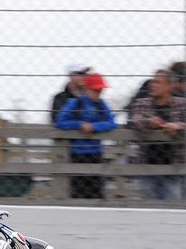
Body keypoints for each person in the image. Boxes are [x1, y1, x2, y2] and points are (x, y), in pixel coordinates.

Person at [54, 72, 116, 199]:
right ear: (86, 88)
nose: (99, 93)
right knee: (78, 190)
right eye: (96, 90)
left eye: (101, 90)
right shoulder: (75, 103)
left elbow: (111, 123)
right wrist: (79, 124)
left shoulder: (101, 104)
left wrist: (94, 127)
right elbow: (60, 121)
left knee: (97, 192)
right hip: (77, 153)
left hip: (96, 153)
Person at [128, 68, 185, 200]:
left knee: (173, 206)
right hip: (147, 166)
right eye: (153, 81)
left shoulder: (182, 104)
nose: (152, 85)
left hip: (174, 167)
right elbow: (133, 121)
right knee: (148, 207)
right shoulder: (141, 103)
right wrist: (148, 122)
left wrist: (179, 126)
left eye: (158, 82)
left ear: (169, 86)